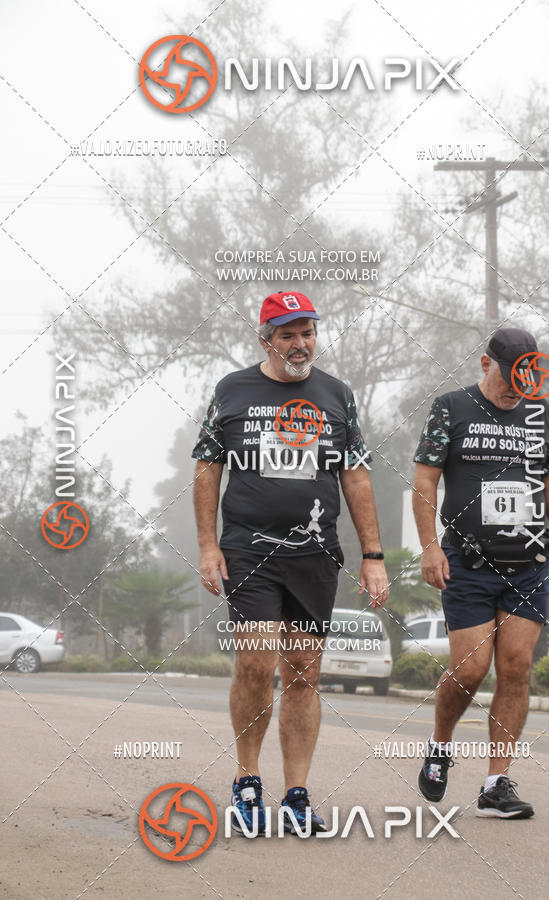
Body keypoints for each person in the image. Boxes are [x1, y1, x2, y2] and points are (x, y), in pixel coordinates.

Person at [192, 290, 388, 835]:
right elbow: (208, 470)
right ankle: (246, 780)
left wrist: (373, 555)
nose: (300, 344)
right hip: (249, 550)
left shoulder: (337, 395)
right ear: (266, 340)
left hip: (315, 554)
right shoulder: (232, 391)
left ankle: (297, 794)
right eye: (287, 334)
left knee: (304, 672)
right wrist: (208, 545)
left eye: (307, 333)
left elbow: (355, 475)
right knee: (256, 661)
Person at [412, 327, 549, 818]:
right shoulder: (451, 407)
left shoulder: (537, 411)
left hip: (527, 563)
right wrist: (428, 548)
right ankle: (440, 748)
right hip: (467, 561)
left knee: (516, 668)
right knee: (469, 669)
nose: (515, 388)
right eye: (508, 377)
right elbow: (425, 479)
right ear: (486, 365)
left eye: (525, 379)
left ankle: (496, 783)